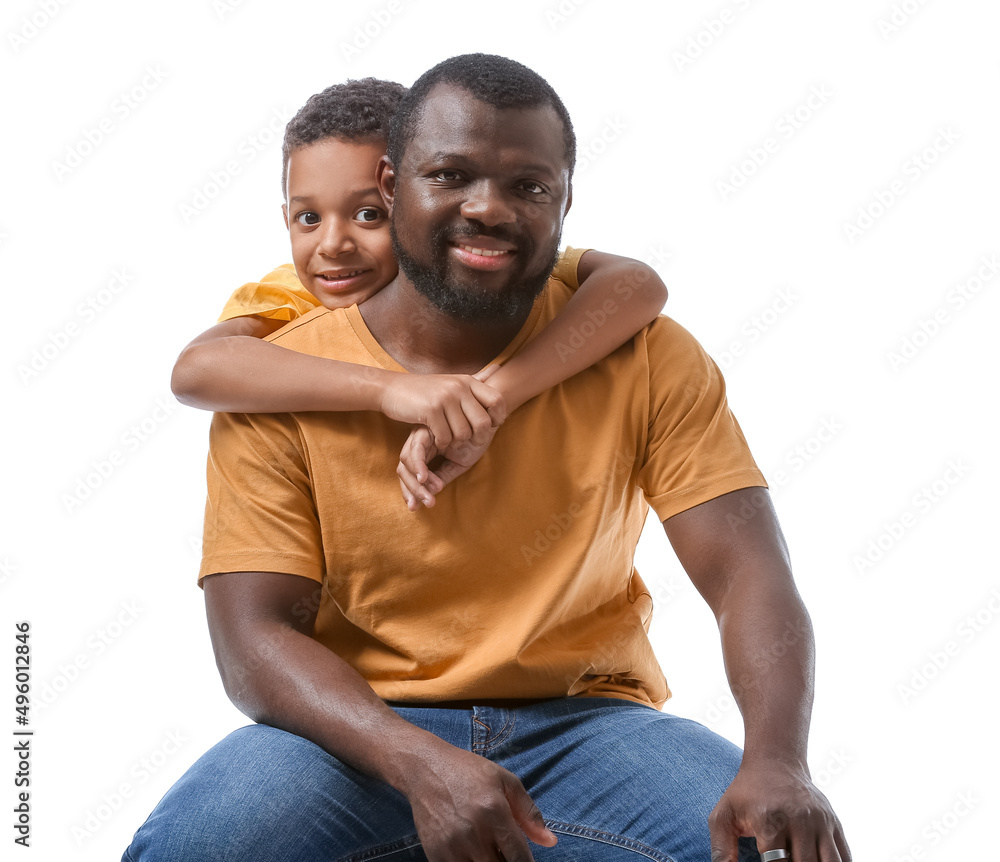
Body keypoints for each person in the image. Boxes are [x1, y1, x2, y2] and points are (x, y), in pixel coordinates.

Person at [122, 54, 851, 862]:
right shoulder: (282, 376)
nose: (488, 209)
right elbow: (252, 638)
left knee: (767, 845)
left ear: (567, 199)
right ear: (394, 184)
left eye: (529, 188)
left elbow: (747, 569)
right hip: (354, 729)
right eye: (451, 175)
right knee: (188, 848)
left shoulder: (640, 351)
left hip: (588, 724)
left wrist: (779, 759)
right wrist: (417, 761)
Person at [169, 77, 668, 506]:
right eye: (308, 218)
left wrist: (495, 396)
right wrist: (393, 390)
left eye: (369, 215)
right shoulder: (290, 297)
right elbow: (195, 370)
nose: (333, 244)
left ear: (407, 197)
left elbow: (639, 284)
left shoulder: (482, 261)